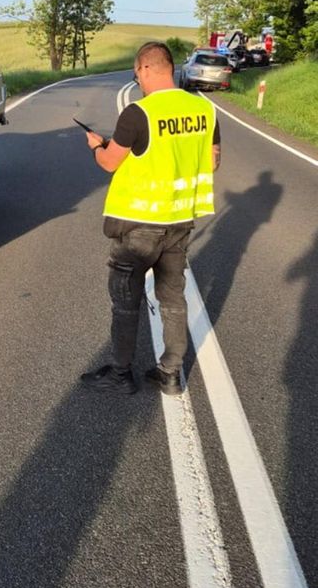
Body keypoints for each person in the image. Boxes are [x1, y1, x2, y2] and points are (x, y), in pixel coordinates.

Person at [82, 41, 221, 396]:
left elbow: (110, 163)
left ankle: (120, 373)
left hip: (138, 227)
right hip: (179, 222)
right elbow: (212, 161)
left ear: (145, 68)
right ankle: (170, 374)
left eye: (136, 75)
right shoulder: (204, 110)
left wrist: (97, 145)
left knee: (125, 301)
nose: (138, 82)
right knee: (172, 299)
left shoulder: (138, 113)